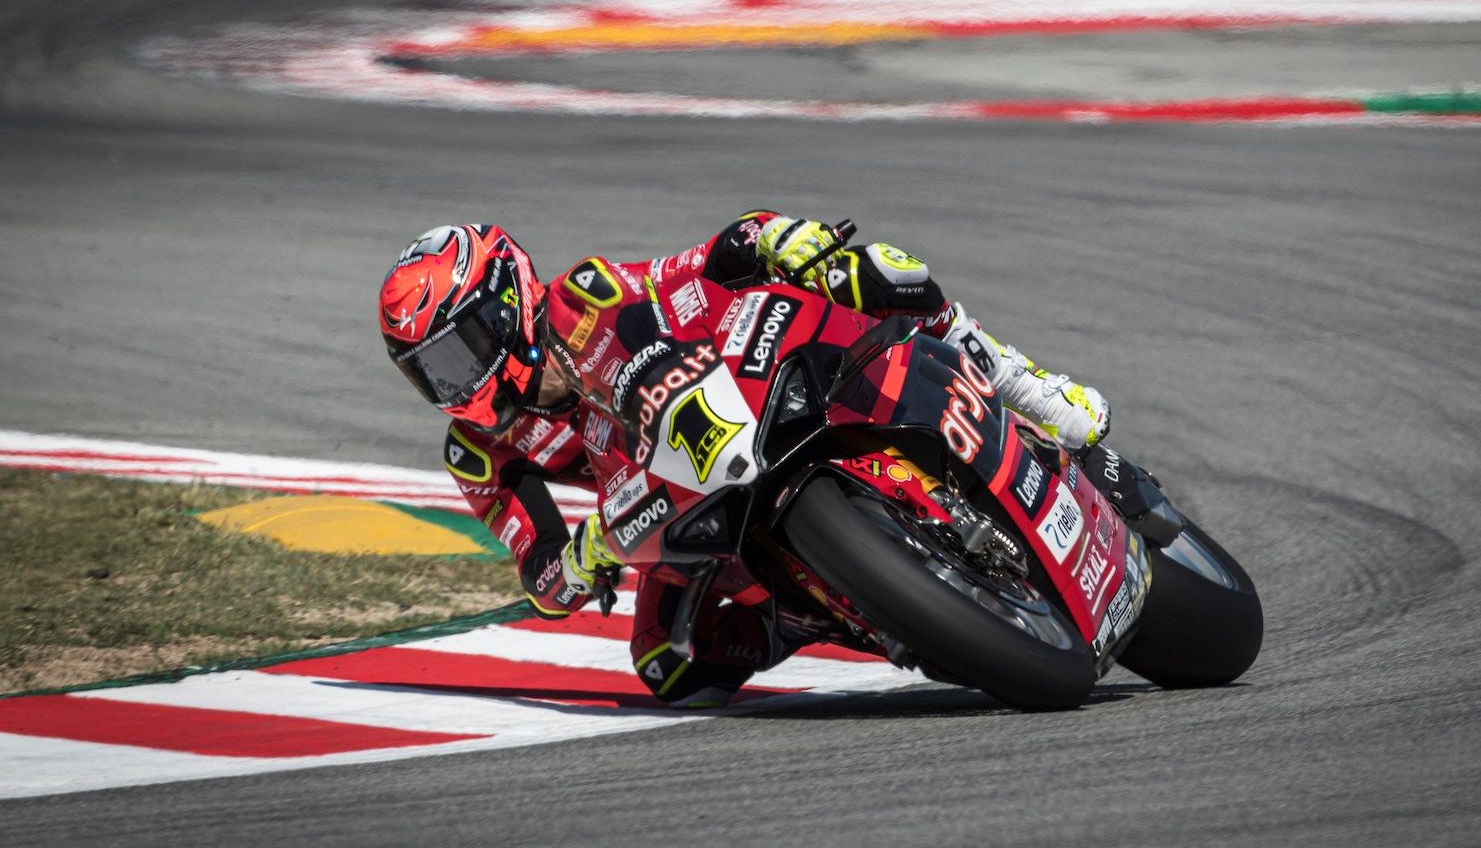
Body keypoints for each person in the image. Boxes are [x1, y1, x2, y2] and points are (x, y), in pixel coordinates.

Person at [378, 214, 1110, 706]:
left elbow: (701, 262)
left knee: (874, 273)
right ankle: (821, 613)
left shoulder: (583, 295)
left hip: (726, 389)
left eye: (458, 352)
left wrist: (775, 237)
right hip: (656, 496)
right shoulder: (477, 451)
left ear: (505, 305)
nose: (454, 385)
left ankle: (1024, 385)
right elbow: (539, 574)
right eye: (430, 373)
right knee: (667, 665)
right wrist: (579, 558)